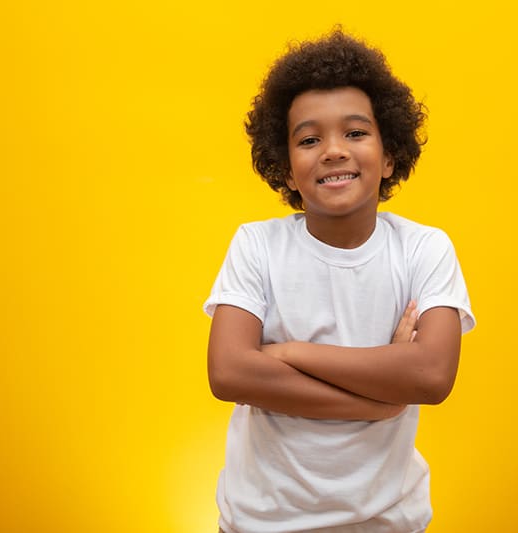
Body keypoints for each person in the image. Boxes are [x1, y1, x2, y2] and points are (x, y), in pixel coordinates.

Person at [204, 28, 476, 533]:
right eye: (309, 139)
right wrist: (384, 401)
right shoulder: (257, 245)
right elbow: (228, 373)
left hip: (387, 521)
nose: (333, 151)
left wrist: (287, 353)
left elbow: (433, 376)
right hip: (260, 522)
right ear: (286, 169)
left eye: (355, 133)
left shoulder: (423, 249)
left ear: (390, 155)